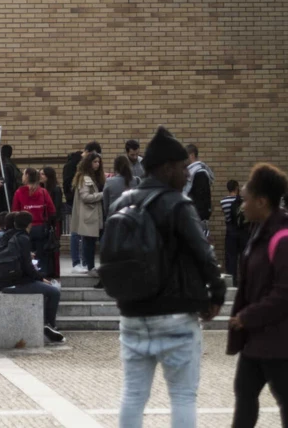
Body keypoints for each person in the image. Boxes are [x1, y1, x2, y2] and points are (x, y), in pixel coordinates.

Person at [110, 126, 227, 428]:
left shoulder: (121, 203)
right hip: (175, 315)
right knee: (183, 397)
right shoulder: (178, 204)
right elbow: (204, 254)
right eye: (182, 167)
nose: (187, 174)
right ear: (165, 168)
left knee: (133, 395)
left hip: (132, 315)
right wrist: (216, 294)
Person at [227, 164, 288, 428]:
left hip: (281, 337)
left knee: (287, 399)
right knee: (244, 392)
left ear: (261, 201)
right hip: (258, 336)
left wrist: (247, 316)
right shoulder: (261, 232)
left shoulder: (285, 240)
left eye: (245, 200)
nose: (242, 206)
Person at [0, 211, 66, 343]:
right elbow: (27, 267)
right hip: (16, 282)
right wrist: (40, 278)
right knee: (54, 291)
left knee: (45, 288)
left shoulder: (8, 236)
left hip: (4, 280)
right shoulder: (23, 238)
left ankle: (45, 323)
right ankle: (49, 325)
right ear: (29, 225)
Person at [12, 168, 57, 278]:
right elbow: (52, 210)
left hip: (24, 229)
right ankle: (42, 275)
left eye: (23, 174)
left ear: (27, 176)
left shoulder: (19, 192)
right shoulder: (43, 192)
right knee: (41, 254)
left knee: (25, 254)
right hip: (40, 228)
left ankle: (27, 276)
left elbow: (14, 211)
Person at [71, 152, 105, 273]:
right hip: (89, 214)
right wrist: (102, 195)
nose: (97, 164)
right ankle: (90, 266)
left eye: (99, 162)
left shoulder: (95, 176)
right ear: (88, 163)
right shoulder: (85, 178)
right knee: (89, 242)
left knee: (91, 242)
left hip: (94, 213)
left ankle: (90, 266)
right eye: (95, 162)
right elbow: (85, 197)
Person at [183, 143, 214, 239]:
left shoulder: (199, 173)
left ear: (192, 155)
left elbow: (202, 198)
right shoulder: (192, 172)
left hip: (197, 218)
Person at [40, 166, 64, 279]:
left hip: (54, 222)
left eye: (43, 174)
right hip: (45, 222)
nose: (40, 176)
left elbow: (56, 207)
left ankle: (55, 271)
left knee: (53, 246)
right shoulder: (41, 189)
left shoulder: (55, 189)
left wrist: (52, 221)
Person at [220, 179, 244, 279]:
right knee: (243, 258)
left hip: (230, 232)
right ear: (236, 187)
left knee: (231, 259)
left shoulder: (223, 201)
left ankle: (232, 283)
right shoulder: (242, 201)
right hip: (242, 232)